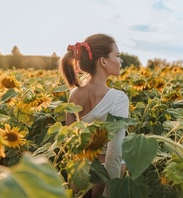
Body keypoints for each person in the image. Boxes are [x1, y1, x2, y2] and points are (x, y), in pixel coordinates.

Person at [59, 33, 129, 197]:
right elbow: (114, 152)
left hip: (79, 170)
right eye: (117, 55)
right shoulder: (118, 98)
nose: (120, 61)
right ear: (103, 61)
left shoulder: (74, 94)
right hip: (106, 173)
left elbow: (70, 141)